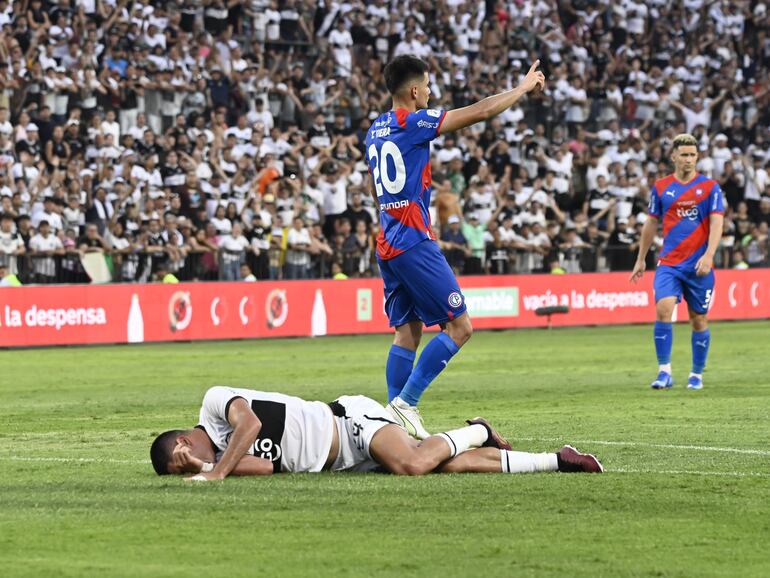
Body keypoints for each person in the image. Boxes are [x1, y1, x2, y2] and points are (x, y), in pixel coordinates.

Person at [364, 55, 545, 438]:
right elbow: (478, 112)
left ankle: (392, 425)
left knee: (407, 332)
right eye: (427, 86)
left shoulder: (374, 130)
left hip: (387, 241)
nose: (430, 92)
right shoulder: (412, 122)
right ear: (414, 91)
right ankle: (405, 403)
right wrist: (522, 89)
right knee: (460, 326)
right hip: (413, 241)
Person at [150, 386, 603, 480]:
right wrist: (212, 465)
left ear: (184, 443)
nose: (185, 468)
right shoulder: (223, 455)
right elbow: (266, 467)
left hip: (350, 422)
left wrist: (212, 476)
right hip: (344, 460)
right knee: (444, 465)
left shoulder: (215, 405)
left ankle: (479, 429)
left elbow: (249, 424)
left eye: (180, 462)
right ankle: (557, 460)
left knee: (412, 465)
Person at [630, 134, 725, 391]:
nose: (688, 159)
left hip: (699, 266)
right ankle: (664, 372)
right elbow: (651, 223)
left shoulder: (709, 188)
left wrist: (709, 255)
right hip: (669, 263)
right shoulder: (661, 187)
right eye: (684, 154)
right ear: (673, 156)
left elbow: (717, 222)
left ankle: (696, 375)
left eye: (692, 155)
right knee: (664, 308)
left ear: (698, 157)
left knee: (699, 320)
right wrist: (641, 259)